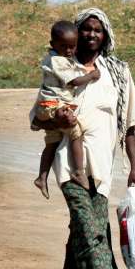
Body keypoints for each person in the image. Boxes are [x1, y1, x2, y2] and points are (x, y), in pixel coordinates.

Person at [32, 8, 135, 269]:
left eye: (98, 30)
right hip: (67, 162)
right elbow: (39, 115)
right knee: (88, 222)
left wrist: (134, 168)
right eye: (86, 29)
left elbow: (130, 124)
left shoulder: (119, 73)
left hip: (103, 163)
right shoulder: (61, 68)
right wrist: (54, 116)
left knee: (80, 230)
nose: (91, 35)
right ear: (75, 33)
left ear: (106, 35)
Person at [33, 21, 101, 198]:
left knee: (52, 142)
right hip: (55, 105)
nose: (69, 51)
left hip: (47, 104)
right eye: (64, 46)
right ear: (53, 45)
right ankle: (79, 171)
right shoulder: (58, 61)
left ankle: (42, 177)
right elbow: (74, 81)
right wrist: (92, 75)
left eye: (72, 47)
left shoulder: (56, 57)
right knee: (76, 132)